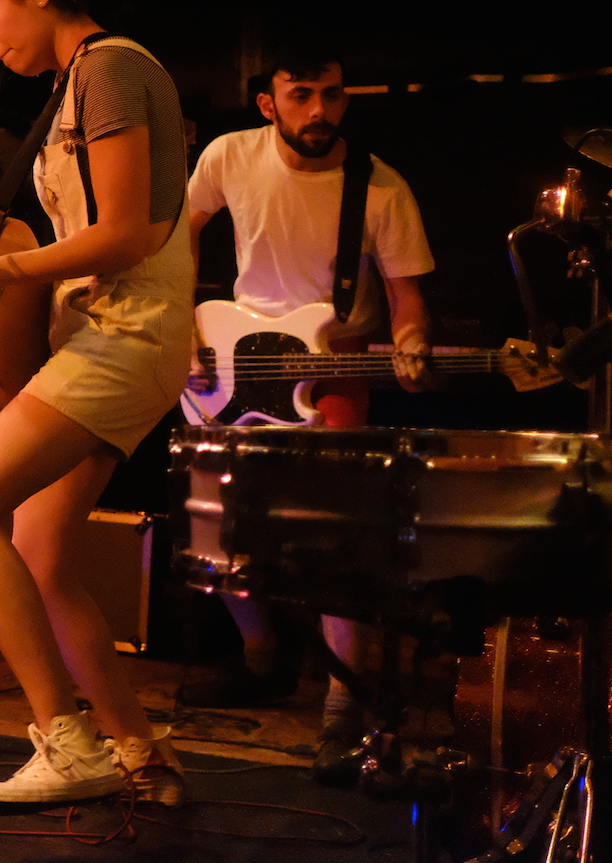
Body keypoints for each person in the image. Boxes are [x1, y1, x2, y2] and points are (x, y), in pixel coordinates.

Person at [0, 0, 193, 808]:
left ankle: (67, 742)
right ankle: (139, 752)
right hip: (108, 336)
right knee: (38, 546)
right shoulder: (76, 85)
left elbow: (124, 234)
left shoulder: (108, 66)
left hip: (127, 332)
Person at [184, 45, 435, 780]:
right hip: (232, 360)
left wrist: (412, 342)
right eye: (301, 95)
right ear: (268, 103)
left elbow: (408, 299)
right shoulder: (227, 157)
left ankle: (341, 703)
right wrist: (179, 324)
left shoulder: (381, 187)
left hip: (333, 363)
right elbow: (178, 234)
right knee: (213, 519)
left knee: (340, 532)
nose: (320, 110)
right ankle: (262, 658)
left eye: (332, 94)